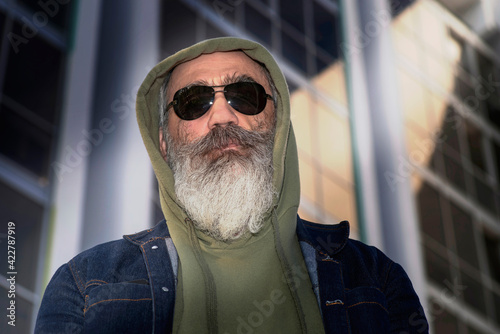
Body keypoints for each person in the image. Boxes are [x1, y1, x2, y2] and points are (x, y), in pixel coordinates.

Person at [35, 37, 428, 333]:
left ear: (279, 125)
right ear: (163, 142)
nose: (222, 115)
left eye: (246, 96)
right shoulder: (86, 284)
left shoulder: (375, 278)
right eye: (193, 102)